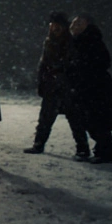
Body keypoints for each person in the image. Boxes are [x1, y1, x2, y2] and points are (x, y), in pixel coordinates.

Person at [66, 15, 112, 164]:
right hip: (87, 87)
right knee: (91, 120)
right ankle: (103, 151)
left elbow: (103, 62)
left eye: (79, 23)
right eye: (74, 22)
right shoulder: (78, 41)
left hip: (95, 88)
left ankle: (106, 153)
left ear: (87, 25)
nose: (75, 25)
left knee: (97, 120)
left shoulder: (91, 40)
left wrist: (84, 71)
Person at [23, 11, 87, 157]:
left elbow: (71, 62)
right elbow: (43, 63)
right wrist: (42, 81)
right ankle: (38, 144)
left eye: (57, 25)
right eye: (52, 25)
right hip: (52, 84)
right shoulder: (50, 41)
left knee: (74, 118)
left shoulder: (69, 42)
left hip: (65, 85)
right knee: (46, 117)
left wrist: (63, 74)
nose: (54, 28)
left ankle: (82, 149)